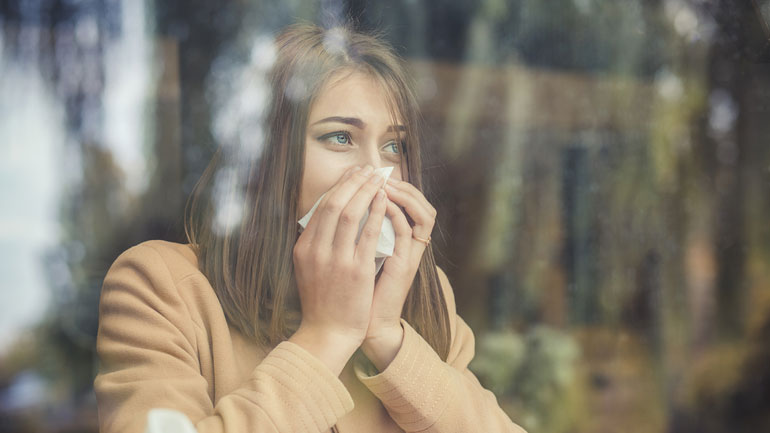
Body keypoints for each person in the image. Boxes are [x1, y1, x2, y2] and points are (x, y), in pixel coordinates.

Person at [94, 22, 526, 433]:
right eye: (340, 137)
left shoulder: (424, 297)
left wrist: (387, 336)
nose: (377, 173)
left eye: (393, 146)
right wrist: (327, 335)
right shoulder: (160, 286)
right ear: (266, 159)